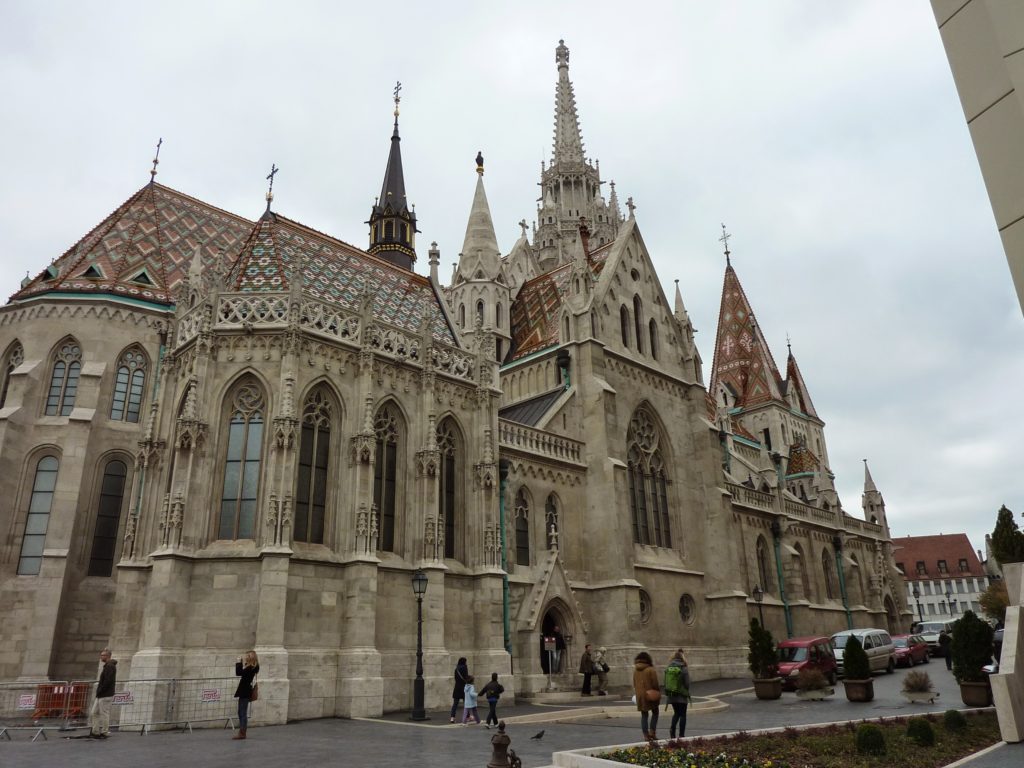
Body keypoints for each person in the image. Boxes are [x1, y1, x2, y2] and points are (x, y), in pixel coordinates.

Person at [664, 649, 692, 739]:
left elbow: (665, 682)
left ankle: (672, 731)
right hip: (681, 696)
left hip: (672, 695)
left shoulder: (668, 668)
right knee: (683, 714)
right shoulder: (683, 668)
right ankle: (681, 735)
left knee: (676, 713)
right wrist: (685, 690)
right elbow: (687, 683)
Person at [89, 648, 117, 739]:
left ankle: (104, 732)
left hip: (105, 694)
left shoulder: (110, 666)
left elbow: (108, 681)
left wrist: (101, 690)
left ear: (107, 656)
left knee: (104, 713)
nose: (101, 657)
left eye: (102, 655)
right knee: (94, 712)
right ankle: (95, 731)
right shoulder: (107, 665)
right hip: (101, 694)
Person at [632, 650, 660, 741]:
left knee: (644, 715)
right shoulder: (650, 670)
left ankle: (645, 735)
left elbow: (634, 684)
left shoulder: (635, 671)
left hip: (640, 696)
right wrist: (657, 692)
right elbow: (655, 683)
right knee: (655, 712)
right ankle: (652, 732)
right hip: (650, 694)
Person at [233, 649, 260, 740]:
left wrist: (238, 662)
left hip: (245, 692)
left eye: (247, 656)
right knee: (241, 712)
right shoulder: (252, 667)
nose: (245, 657)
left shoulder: (250, 668)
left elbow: (238, 672)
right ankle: (242, 732)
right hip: (245, 691)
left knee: (242, 713)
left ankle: (242, 733)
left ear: (251, 657)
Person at [450, 657, 469, 723]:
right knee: (466, 703)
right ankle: (467, 716)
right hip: (463, 687)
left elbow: (455, 678)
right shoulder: (465, 667)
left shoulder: (456, 668)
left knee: (455, 704)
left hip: (457, 687)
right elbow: (466, 677)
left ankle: (452, 718)